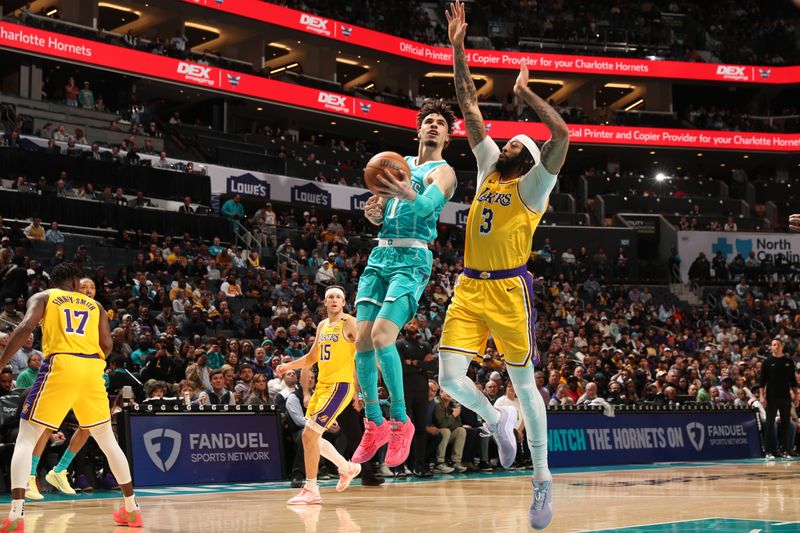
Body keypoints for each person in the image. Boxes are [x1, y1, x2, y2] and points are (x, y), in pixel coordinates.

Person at [437, 2, 570, 529]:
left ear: (530, 159)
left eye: (518, 140)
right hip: (469, 286)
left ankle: (542, 481)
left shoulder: (535, 186)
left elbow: (561, 137)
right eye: (510, 138)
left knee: (526, 382)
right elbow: (468, 105)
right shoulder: (490, 166)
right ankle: (495, 418)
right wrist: (457, 48)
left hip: (511, 291)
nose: (509, 139)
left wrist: (527, 94)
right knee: (449, 378)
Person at [351, 97, 457, 469]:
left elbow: (426, 207)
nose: (432, 126)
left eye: (440, 124)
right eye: (427, 121)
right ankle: (374, 423)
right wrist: (373, 210)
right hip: (380, 254)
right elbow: (380, 212)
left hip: (412, 258)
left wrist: (401, 191)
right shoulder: (397, 165)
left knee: (382, 337)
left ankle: (401, 420)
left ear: (447, 135)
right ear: (417, 128)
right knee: (360, 339)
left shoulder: (443, 173)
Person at [0, 263, 142, 531]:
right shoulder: (95, 306)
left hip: (61, 365)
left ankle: (16, 516)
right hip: (91, 369)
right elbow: (108, 346)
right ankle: (132, 508)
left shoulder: (45, 297)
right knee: (107, 441)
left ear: (54, 282)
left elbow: (25, 328)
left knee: (26, 436)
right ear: (77, 283)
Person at [277, 286, 361, 505]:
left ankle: (311, 488)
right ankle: (347, 467)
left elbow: (365, 351)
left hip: (340, 386)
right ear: (325, 303)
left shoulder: (349, 322)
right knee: (313, 438)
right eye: (330, 297)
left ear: (343, 303)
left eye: (338, 297)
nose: (334, 300)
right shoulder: (323, 325)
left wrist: (363, 391)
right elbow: (312, 357)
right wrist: (288, 366)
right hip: (323, 387)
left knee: (308, 435)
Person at [760, 338, 798, 459]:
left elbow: (793, 381)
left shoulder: (788, 362)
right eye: (773, 345)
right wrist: (762, 396)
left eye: (777, 345)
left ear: (781, 347)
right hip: (771, 397)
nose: (775, 347)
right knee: (770, 424)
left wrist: (796, 396)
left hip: (785, 397)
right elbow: (762, 382)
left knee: (786, 424)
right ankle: (769, 451)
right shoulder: (767, 362)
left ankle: (786, 450)